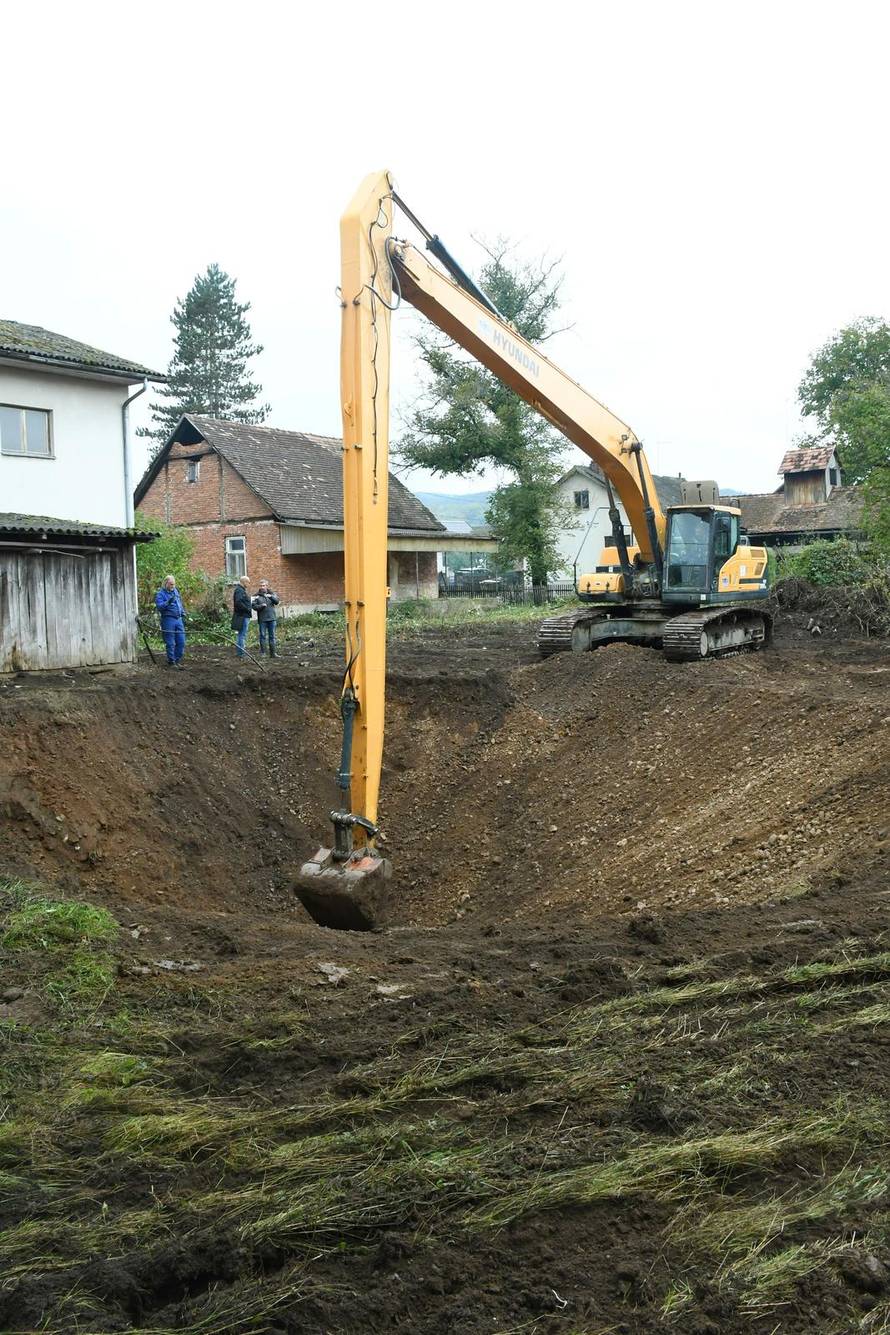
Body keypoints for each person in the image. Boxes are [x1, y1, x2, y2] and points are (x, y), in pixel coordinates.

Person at [154, 575, 186, 668]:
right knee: (170, 642)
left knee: (181, 641)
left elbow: (179, 603)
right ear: (166, 583)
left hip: (178, 619)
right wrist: (168, 602)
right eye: (171, 584)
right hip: (168, 619)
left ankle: (177, 660)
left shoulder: (175, 591)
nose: (173, 586)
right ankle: (171, 662)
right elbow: (159, 607)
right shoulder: (160, 594)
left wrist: (183, 612)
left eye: (174, 584)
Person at [252, 579, 280, 656]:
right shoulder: (256, 596)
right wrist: (261, 606)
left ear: (267, 586)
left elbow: (277, 602)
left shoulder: (272, 594)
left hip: (272, 618)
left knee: (272, 636)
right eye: (261, 586)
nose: (262, 587)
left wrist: (271, 597)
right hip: (262, 619)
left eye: (263, 585)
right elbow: (254, 606)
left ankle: (273, 653)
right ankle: (263, 653)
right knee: (262, 636)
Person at [232, 575, 253, 658]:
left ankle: (240, 653)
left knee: (241, 635)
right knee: (242, 635)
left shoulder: (241, 590)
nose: (249, 584)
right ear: (244, 582)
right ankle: (241, 653)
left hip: (243, 616)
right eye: (248, 582)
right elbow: (238, 603)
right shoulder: (239, 591)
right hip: (242, 616)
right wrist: (247, 609)